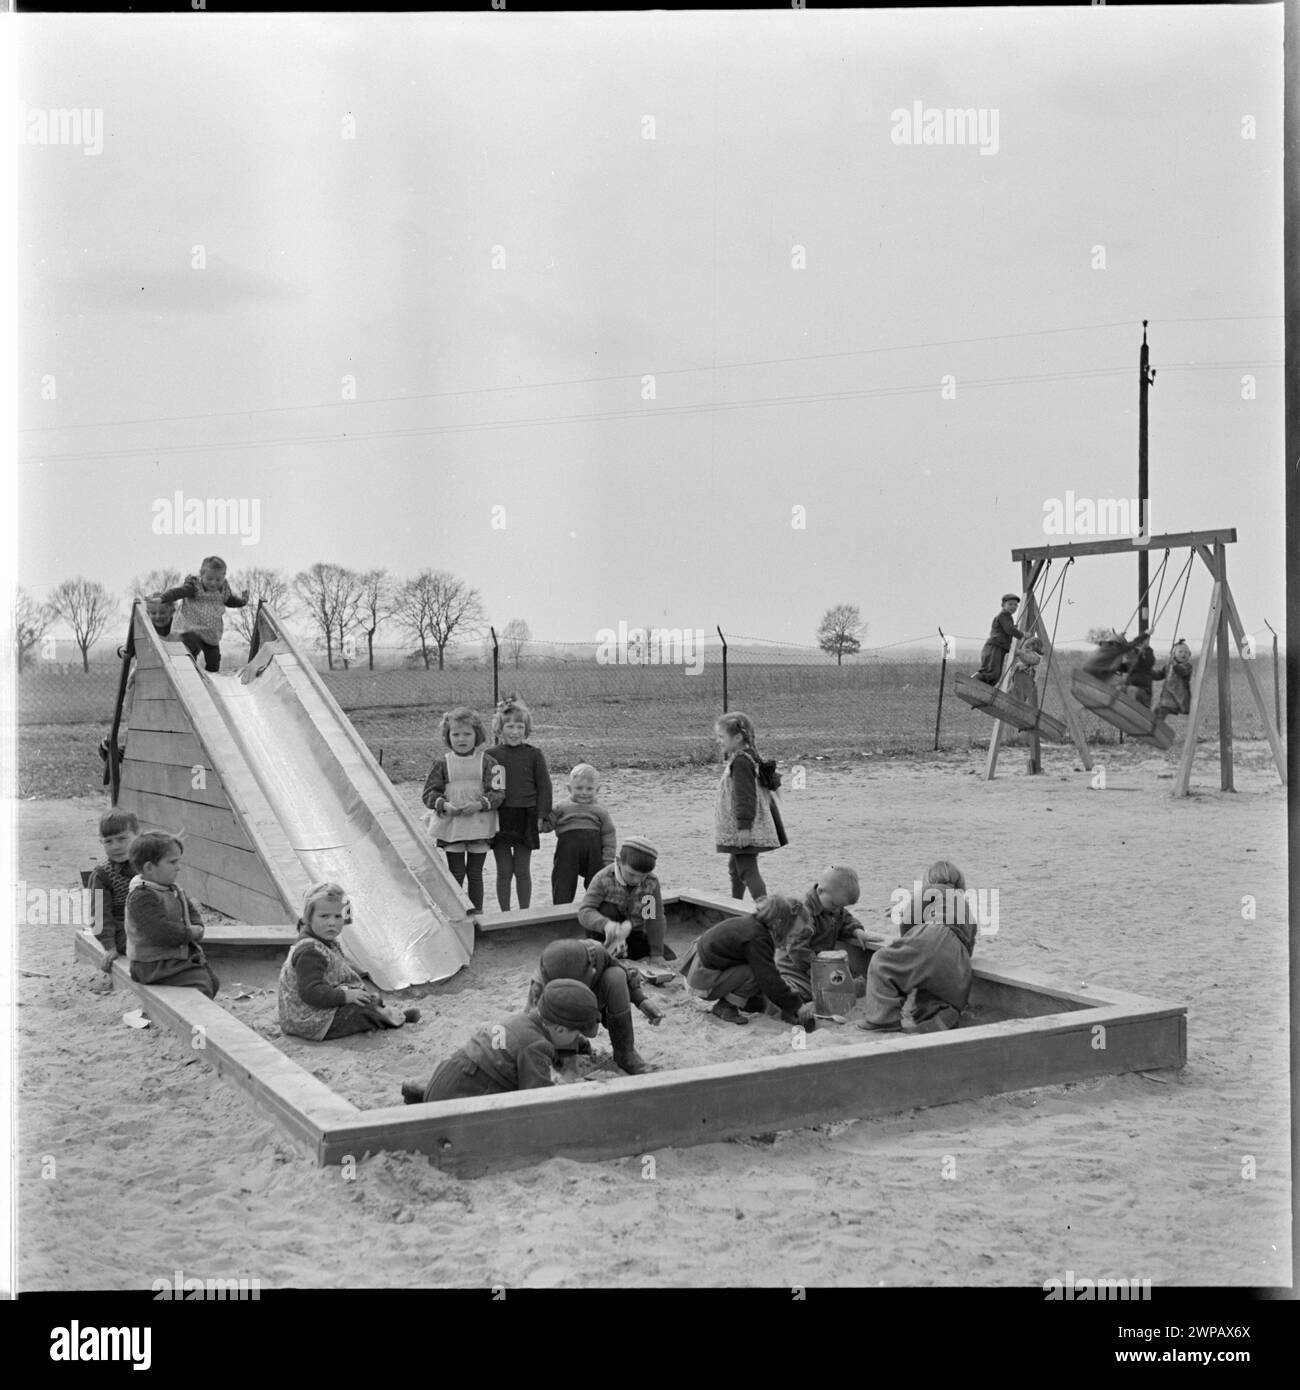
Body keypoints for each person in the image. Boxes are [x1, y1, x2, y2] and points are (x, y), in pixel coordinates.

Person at [399, 978, 600, 1103]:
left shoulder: (522, 1020)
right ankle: (433, 1104)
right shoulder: (536, 1046)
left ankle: (428, 1097)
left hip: (448, 1075)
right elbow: (538, 1098)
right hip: (460, 1096)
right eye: (576, 1035)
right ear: (560, 1029)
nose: (576, 1039)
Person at [278, 882, 420, 1040]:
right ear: (309, 918)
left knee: (362, 998)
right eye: (324, 916)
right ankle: (388, 1019)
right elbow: (311, 992)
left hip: (314, 1011)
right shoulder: (310, 953)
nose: (332, 922)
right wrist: (345, 996)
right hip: (309, 1021)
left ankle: (381, 1011)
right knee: (360, 1010)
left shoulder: (323, 940)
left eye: (337, 916)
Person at [859, 860, 977, 1033]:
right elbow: (971, 938)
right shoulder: (964, 903)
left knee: (882, 963)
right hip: (959, 954)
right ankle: (942, 1015)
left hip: (933, 935)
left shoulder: (931, 891)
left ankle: (883, 1020)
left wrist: (906, 940)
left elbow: (909, 919)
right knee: (934, 994)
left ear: (929, 880)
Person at [677, 893, 818, 1028]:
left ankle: (744, 1001)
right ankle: (726, 1006)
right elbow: (769, 979)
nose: (791, 941)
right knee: (756, 973)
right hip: (701, 980)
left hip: (702, 966)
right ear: (778, 925)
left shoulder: (755, 925)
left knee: (761, 968)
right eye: (791, 936)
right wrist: (796, 1006)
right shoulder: (757, 939)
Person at [525, 938, 662, 1074]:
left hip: (591, 1000)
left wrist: (641, 1000)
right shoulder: (541, 985)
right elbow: (531, 1024)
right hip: (562, 1017)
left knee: (616, 976)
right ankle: (567, 1049)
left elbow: (624, 971)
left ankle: (625, 1054)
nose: (594, 971)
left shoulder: (596, 952)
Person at [421, 707, 504, 914]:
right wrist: (443, 805)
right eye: (455, 734)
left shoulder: (489, 762)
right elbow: (429, 794)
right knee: (456, 872)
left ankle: (477, 912)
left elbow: (499, 792)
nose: (461, 739)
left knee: (475, 873)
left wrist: (480, 804)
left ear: (477, 735)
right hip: (453, 827)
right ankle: (457, 912)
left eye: (467, 734)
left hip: (479, 826)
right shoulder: (441, 763)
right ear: (448, 736)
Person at [124, 832, 220, 998]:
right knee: (200, 984)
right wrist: (190, 933)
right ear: (149, 868)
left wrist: (198, 925)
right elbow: (159, 932)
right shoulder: (142, 896)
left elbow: (189, 909)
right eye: (172, 862)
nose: (178, 867)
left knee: (212, 980)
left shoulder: (171, 887)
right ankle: (192, 1019)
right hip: (151, 964)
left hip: (171, 957)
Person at [487, 695, 552, 911]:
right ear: (500, 729)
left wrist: (542, 816)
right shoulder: (491, 755)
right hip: (501, 818)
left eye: (520, 726)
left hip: (526, 816)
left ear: (526, 729)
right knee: (504, 871)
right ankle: (505, 913)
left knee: (522, 870)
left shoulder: (534, 755)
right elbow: (487, 789)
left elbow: (544, 786)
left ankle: (525, 912)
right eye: (510, 726)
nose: (515, 732)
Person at [775, 866, 878, 999]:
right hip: (795, 967)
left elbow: (845, 918)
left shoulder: (833, 906)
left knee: (848, 982)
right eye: (835, 905)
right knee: (803, 990)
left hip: (822, 963)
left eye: (842, 907)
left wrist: (856, 930)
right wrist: (815, 969)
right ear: (820, 891)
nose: (838, 910)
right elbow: (797, 949)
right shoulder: (805, 913)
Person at [713, 711, 786, 902]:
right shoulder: (748, 756)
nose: (718, 741)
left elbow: (745, 796)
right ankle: (735, 904)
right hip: (745, 826)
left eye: (721, 737)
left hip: (745, 827)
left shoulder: (741, 762)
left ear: (737, 738)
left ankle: (766, 912)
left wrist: (744, 827)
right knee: (735, 868)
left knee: (747, 869)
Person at [577, 837, 674, 976]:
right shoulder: (603, 878)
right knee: (607, 909)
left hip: (634, 934)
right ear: (618, 861)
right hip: (606, 935)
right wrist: (605, 925)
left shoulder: (650, 883)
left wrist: (656, 953)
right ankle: (608, 954)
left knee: (668, 957)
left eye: (642, 876)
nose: (636, 880)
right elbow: (585, 911)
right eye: (631, 874)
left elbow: (653, 919)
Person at [159, 557, 248, 673]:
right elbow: (179, 592)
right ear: (202, 575)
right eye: (209, 578)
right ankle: (189, 670)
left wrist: (243, 601)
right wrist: (163, 598)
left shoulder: (224, 590)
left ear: (223, 577)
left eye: (218, 579)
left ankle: (213, 676)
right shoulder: (194, 586)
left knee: (214, 657)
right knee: (191, 646)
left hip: (211, 631)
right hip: (191, 627)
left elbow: (230, 600)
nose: (213, 583)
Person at [546, 763, 617, 904]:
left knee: (596, 879)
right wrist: (540, 824)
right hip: (567, 850)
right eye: (578, 788)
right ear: (569, 788)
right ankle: (561, 907)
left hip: (593, 851)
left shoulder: (600, 810)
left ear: (597, 790)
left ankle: (595, 906)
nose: (584, 792)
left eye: (589, 789)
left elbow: (609, 834)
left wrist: (608, 859)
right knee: (563, 878)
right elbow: (549, 824)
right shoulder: (561, 807)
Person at [87, 809, 140, 989]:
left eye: (122, 839)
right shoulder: (103, 875)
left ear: (137, 836)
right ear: (101, 842)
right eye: (108, 841)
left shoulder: (146, 864)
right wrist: (109, 947)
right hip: (122, 929)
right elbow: (100, 916)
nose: (115, 846)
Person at [973, 594, 1025, 685]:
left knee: (995, 674)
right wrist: (1022, 634)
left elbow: (1007, 628)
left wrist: (1013, 628)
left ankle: (984, 688)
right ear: (1003, 605)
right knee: (990, 671)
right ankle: (972, 682)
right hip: (995, 646)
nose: (1013, 607)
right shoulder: (1004, 615)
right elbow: (1009, 629)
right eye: (1010, 604)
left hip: (999, 647)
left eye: (1015, 605)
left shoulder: (1007, 617)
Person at [1152, 638, 1194, 723]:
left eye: (1186, 652)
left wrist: (1174, 664)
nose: (1183, 654)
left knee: (1161, 711)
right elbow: (1159, 675)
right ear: (1173, 654)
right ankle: (1154, 727)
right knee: (1156, 711)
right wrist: (1149, 672)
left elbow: (1181, 671)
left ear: (1189, 655)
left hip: (1177, 697)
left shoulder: (1187, 666)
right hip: (1167, 696)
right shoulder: (1168, 665)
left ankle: (1156, 728)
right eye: (1180, 651)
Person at [1123, 631, 1157, 707]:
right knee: (1122, 688)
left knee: (1131, 690)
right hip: (1132, 690)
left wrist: (1147, 649)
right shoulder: (1128, 665)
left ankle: (1131, 708)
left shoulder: (1144, 665)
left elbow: (1150, 662)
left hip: (1143, 692)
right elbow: (1118, 667)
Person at [1006, 634, 1043, 705]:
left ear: (1034, 647)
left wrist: (1020, 653)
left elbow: (1028, 659)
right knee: (1012, 691)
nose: (1025, 650)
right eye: (1025, 648)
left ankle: (1017, 705)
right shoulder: (1028, 656)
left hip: (1026, 681)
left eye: (1028, 647)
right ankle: (1009, 700)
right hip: (1019, 682)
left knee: (1018, 695)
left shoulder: (1036, 657)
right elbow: (1024, 659)